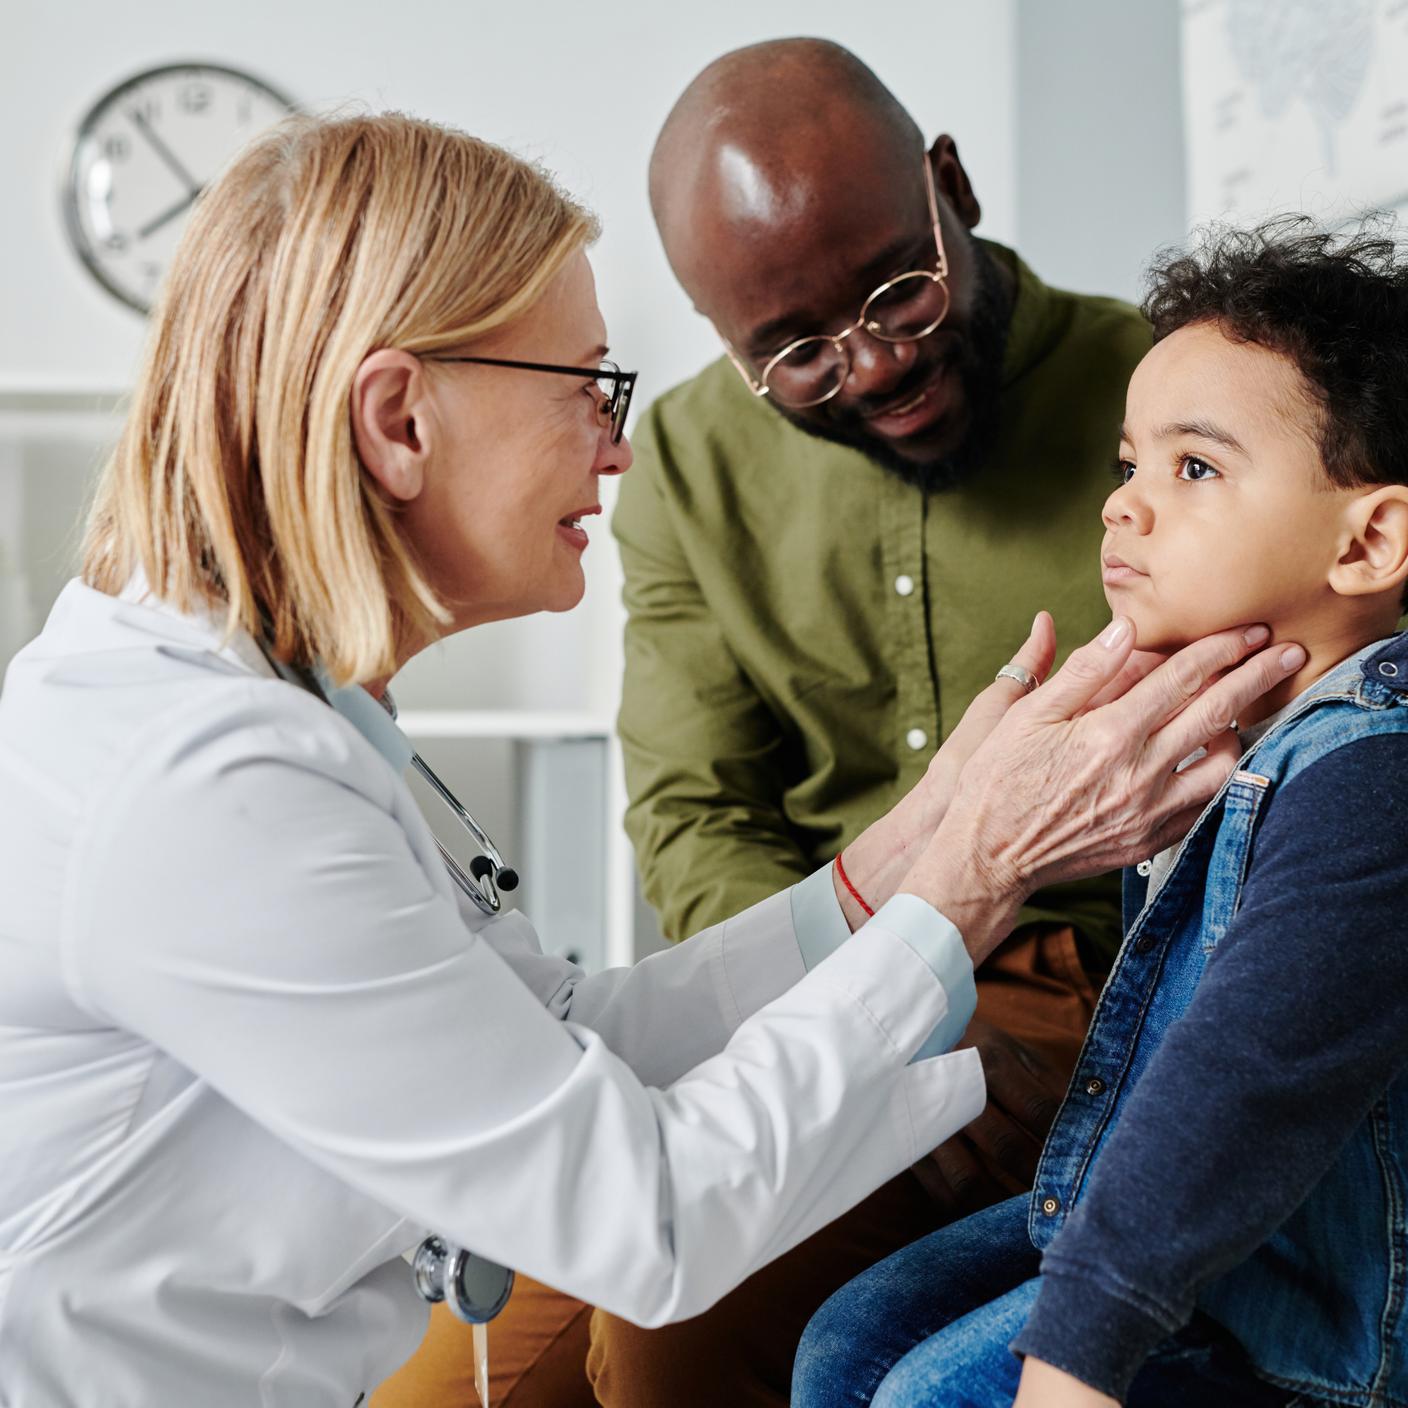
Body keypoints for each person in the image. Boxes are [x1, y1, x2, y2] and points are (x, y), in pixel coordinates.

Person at [0, 112, 1300, 1407]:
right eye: (586, 387)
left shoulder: (288, 718)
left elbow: (566, 1036)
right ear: (399, 419)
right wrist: (975, 866)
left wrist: (913, 851)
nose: (615, 445)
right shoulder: (201, 788)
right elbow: (646, 1214)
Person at [416, 36, 1153, 1408]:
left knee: (661, 1346)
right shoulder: (689, 460)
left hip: (1086, 1009)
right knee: (440, 1385)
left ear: (953, 186)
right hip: (810, 983)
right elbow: (695, 815)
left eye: (900, 290)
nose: (873, 366)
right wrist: (851, 1025)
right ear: (721, 337)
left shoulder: (1168, 398)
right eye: (797, 351)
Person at [793, 219, 1408, 1408]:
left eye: (1193, 468)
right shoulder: (1228, 739)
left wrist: (1081, 1354)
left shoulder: (1370, 776)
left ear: (1368, 538)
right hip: (1214, 1243)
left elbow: (1239, 1087)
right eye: (1128, 464)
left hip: (1315, 1323)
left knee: (925, 1394)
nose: (1122, 507)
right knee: (849, 1341)